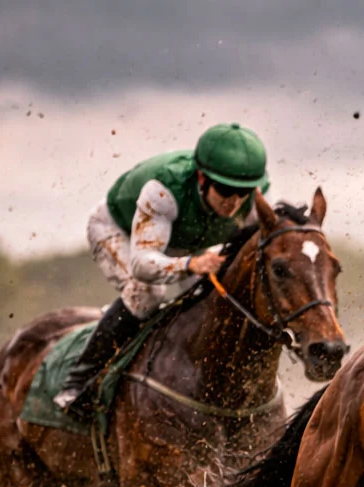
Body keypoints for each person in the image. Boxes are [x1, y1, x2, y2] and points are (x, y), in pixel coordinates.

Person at [54, 122, 270, 423]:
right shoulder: (163, 192)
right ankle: (77, 383)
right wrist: (191, 265)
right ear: (201, 178)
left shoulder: (249, 202)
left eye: (243, 192)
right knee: (146, 294)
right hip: (120, 232)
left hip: (179, 243)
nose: (234, 201)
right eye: (225, 190)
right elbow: (142, 264)